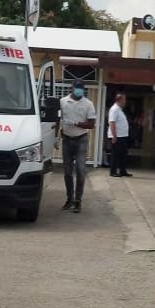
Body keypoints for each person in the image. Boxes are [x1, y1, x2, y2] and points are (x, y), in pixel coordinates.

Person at [60, 80, 96, 213]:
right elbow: (58, 120)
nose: (79, 90)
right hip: (67, 139)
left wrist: (75, 123)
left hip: (81, 139)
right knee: (67, 172)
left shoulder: (88, 104)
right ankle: (69, 199)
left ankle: (78, 201)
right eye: (77, 88)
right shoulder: (63, 102)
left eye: (81, 88)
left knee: (81, 170)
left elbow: (91, 124)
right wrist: (56, 138)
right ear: (72, 88)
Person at [108, 93, 132, 178]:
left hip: (123, 136)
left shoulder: (119, 110)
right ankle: (113, 171)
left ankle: (122, 170)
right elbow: (112, 122)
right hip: (117, 136)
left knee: (123, 154)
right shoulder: (114, 109)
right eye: (124, 100)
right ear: (119, 100)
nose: (125, 102)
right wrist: (114, 135)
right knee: (115, 154)